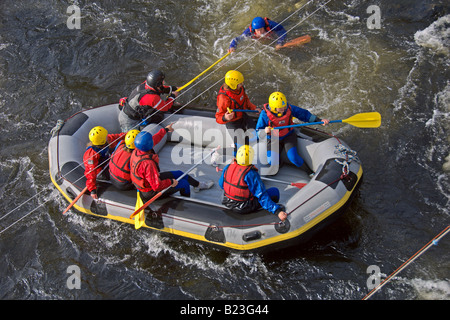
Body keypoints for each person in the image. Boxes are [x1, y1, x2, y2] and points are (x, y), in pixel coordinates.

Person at [130, 125, 214, 203]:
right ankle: (186, 204)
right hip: (151, 191)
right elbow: (157, 186)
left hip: (151, 181)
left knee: (179, 173)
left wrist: (165, 130)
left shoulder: (137, 150)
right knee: (184, 183)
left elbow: (155, 139)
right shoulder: (148, 164)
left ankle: (198, 185)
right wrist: (171, 182)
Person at [256, 92, 330, 174]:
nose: (284, 109)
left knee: (293, 157)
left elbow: (304, 114)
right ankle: (280, 164)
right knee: (272, 161)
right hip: (273, 138)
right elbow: (258, 131)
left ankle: (310, 172)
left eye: (284, 106)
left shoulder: (289, 108)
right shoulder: (264, 115)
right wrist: (264, 131)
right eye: (281, 108)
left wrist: (319, 120)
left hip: (288, 135)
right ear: (274, 108)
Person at [219, 145, 287, 221]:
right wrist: (277, 211)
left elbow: (221, 185)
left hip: (226, 201)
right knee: (274, 192)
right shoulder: (251, 174)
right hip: (243, 207)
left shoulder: (228, 167)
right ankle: (269, 210)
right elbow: (261, 195)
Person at [215, 70, 260, 154]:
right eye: (240, 83)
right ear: (233, 85)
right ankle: (219, 152)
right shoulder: (223, 98)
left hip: (243, 117)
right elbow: (218, 117)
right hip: (233, 123)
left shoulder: (240, 89)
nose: (242, 84)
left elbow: (245, 100)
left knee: (257, 135)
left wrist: (255, 108)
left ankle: (243, 141)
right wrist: (225, 117)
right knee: (241, 149)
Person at [83, 126, 126, 199]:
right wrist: (92, 189)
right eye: (105, 136)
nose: (107, 136)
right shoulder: (91, 155)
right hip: (101, 171)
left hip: (108, 162)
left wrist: (128, 135)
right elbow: (90, 172)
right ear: (102, 140)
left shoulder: (106, 141)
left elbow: (117, 137)